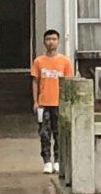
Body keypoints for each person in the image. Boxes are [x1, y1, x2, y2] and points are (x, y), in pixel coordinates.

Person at [30, 29, 73, 174]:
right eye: (48, 39)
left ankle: (59, 160)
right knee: (44, 133)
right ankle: (47, 161)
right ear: (44, 42)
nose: (51, 42)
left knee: (59, 133)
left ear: (58, 41)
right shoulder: (38, 61)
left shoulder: (65, 61)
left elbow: (68, 82)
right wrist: (35, 101)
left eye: (54, 39)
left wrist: (68, 102)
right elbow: (35, 82)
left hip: (59, 103)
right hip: (44, 103)